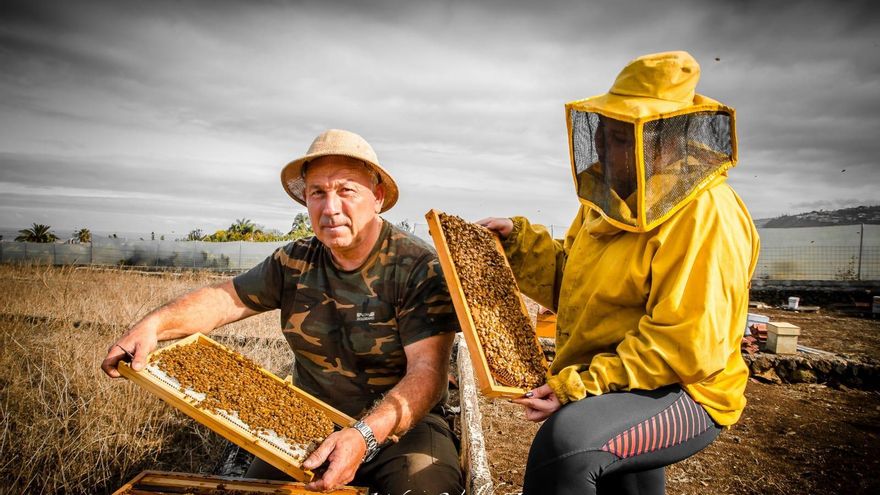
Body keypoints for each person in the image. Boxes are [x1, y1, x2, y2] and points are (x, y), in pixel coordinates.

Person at [102, 129, 463, 495]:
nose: (330, 207)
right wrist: (155, 325)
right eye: (317, 193)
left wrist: (362, 436)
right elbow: (225, 300)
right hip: (306, 426)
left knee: (429, 487)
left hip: (403, 429)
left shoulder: (418, 267)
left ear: (378, 197)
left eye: (346, 190)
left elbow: (428, 374)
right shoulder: (293, 261)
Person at [479, 51, 760, 495]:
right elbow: (573, 285)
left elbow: (688, 345)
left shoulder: (705, 216)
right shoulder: (608, 201)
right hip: (620, 375)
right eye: (606, 135)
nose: (608, 150)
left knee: (567, 443)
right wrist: (517, 241)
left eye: (622, 139)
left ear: (667, 137)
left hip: (688, 387)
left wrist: (582, 385)